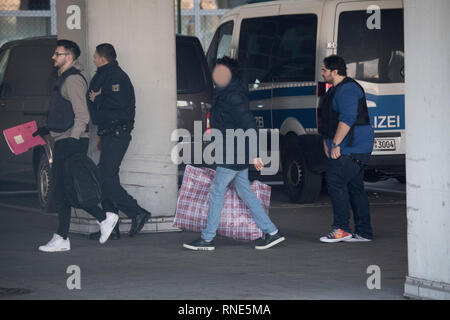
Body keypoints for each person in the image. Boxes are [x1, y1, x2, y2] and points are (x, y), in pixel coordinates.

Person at [183, 57, 285, 251]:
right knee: (244, 191)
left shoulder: (233, 96)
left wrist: (255, 155)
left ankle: (207, 238)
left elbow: (249, 125)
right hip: (232, 149)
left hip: (234, 152)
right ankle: (272, 232)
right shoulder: (226, 93)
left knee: (217, 191)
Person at [35, 40, 118, 252]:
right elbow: (64, 113)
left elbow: (82, 114)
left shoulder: (73, 81)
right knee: (65, 190)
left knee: (65, 189)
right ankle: (96, 222)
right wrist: (47, 129)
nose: (53, 57)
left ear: (69, 57)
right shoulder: (63, 79)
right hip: (65, 139)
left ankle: (73, 233)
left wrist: (73, 138)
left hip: (72, 142)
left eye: (57, 54)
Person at [87, 43, 151, 237]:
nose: (93, 59)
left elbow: (119, 103)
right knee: (105, 177)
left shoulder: (116, 77)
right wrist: (100, 133)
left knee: (105, 177)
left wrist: (98, 98)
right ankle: (111, 226)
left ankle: (137, 212)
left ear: (103, 58)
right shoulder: (105, 74)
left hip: (117, 132)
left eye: (95, 56)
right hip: (109, 132)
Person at [318, 55, 375, 243]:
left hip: (354, 147)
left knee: (334, 180)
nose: (322, 73)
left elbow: (347, 119)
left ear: (335, 72)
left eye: (324, 70)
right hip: (348, 146)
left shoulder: (348, 90)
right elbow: (329, 120)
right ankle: (364, 233)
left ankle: (341, 228)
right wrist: (327, 143)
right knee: (354, 187)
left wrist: (335, 144)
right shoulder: (335, 90)